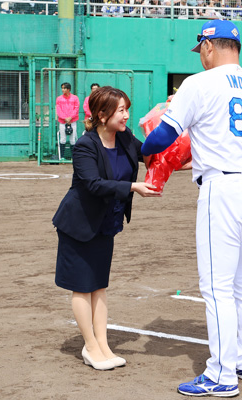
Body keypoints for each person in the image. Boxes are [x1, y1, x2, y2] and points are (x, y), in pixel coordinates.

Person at [141, 20, 242, 397]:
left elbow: (165, 135)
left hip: (224, 189)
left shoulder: (199, 84)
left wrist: (141, 149)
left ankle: (221, 375)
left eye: (201, 50)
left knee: (216, 287)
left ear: (211, 46)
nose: (200, 57)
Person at [53, 86, 159, 371]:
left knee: (99, 286)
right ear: (102, 115)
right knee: (81, 287)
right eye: (121, 110)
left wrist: (170, 127)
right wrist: (133, 187)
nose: (126, 116)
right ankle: (90, 346)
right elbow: (93, 184)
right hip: (79, 225)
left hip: (106, 224)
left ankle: (103, 345)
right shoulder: (86, 145)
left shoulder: (125, 138)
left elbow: (149, 154)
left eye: (127, 109)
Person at [56, 82, 80, 159]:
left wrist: (70, 117)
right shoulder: (59, 98)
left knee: (72, 139)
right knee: (63, 139)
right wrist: (65, 118)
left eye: (64, 88)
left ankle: (73, 157)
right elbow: (58, 110)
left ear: (68, 89)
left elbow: (76, 108)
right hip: (62, 122)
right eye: (62, 88)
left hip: (72, 121)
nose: (63, 90)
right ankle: (62, 157)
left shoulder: (75, 98)